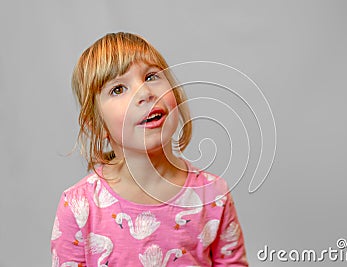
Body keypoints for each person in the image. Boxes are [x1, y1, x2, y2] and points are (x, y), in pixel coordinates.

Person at [51, 32, 248, 266]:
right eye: (118, 89)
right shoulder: (79, 206)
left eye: (151, 76)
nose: (145, 93)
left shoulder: (213, 195)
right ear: (97, 125)